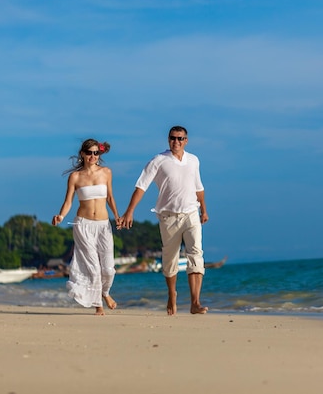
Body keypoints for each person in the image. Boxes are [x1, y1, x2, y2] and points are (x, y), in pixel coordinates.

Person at [122, 126, 209, 315]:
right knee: (170, 260)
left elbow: (198, 187)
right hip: (168, 217)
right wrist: (130, 211)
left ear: (186, 140)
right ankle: (172, 294)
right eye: (172, 138)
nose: (176, 142)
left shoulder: (193, 160)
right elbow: (141, 186)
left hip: (191, 213)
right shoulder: (158, 161)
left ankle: (195, 302)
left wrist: (204, 209)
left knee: (196, 254)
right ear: (168, 139)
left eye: (180, 139)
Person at [52, 138, 121, 315]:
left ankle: (105, 293)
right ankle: (98, 305)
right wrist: (61, 216)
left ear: (99, 154)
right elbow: (68, 201)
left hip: (104, 226)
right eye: (89, 153)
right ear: (82, 154)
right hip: (83, 225)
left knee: (108, 268)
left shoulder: (106, 172)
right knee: (93, 267)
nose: (92, 156)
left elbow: (110, 198)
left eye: (96, 153)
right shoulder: (75, 177)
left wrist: (117, 216)